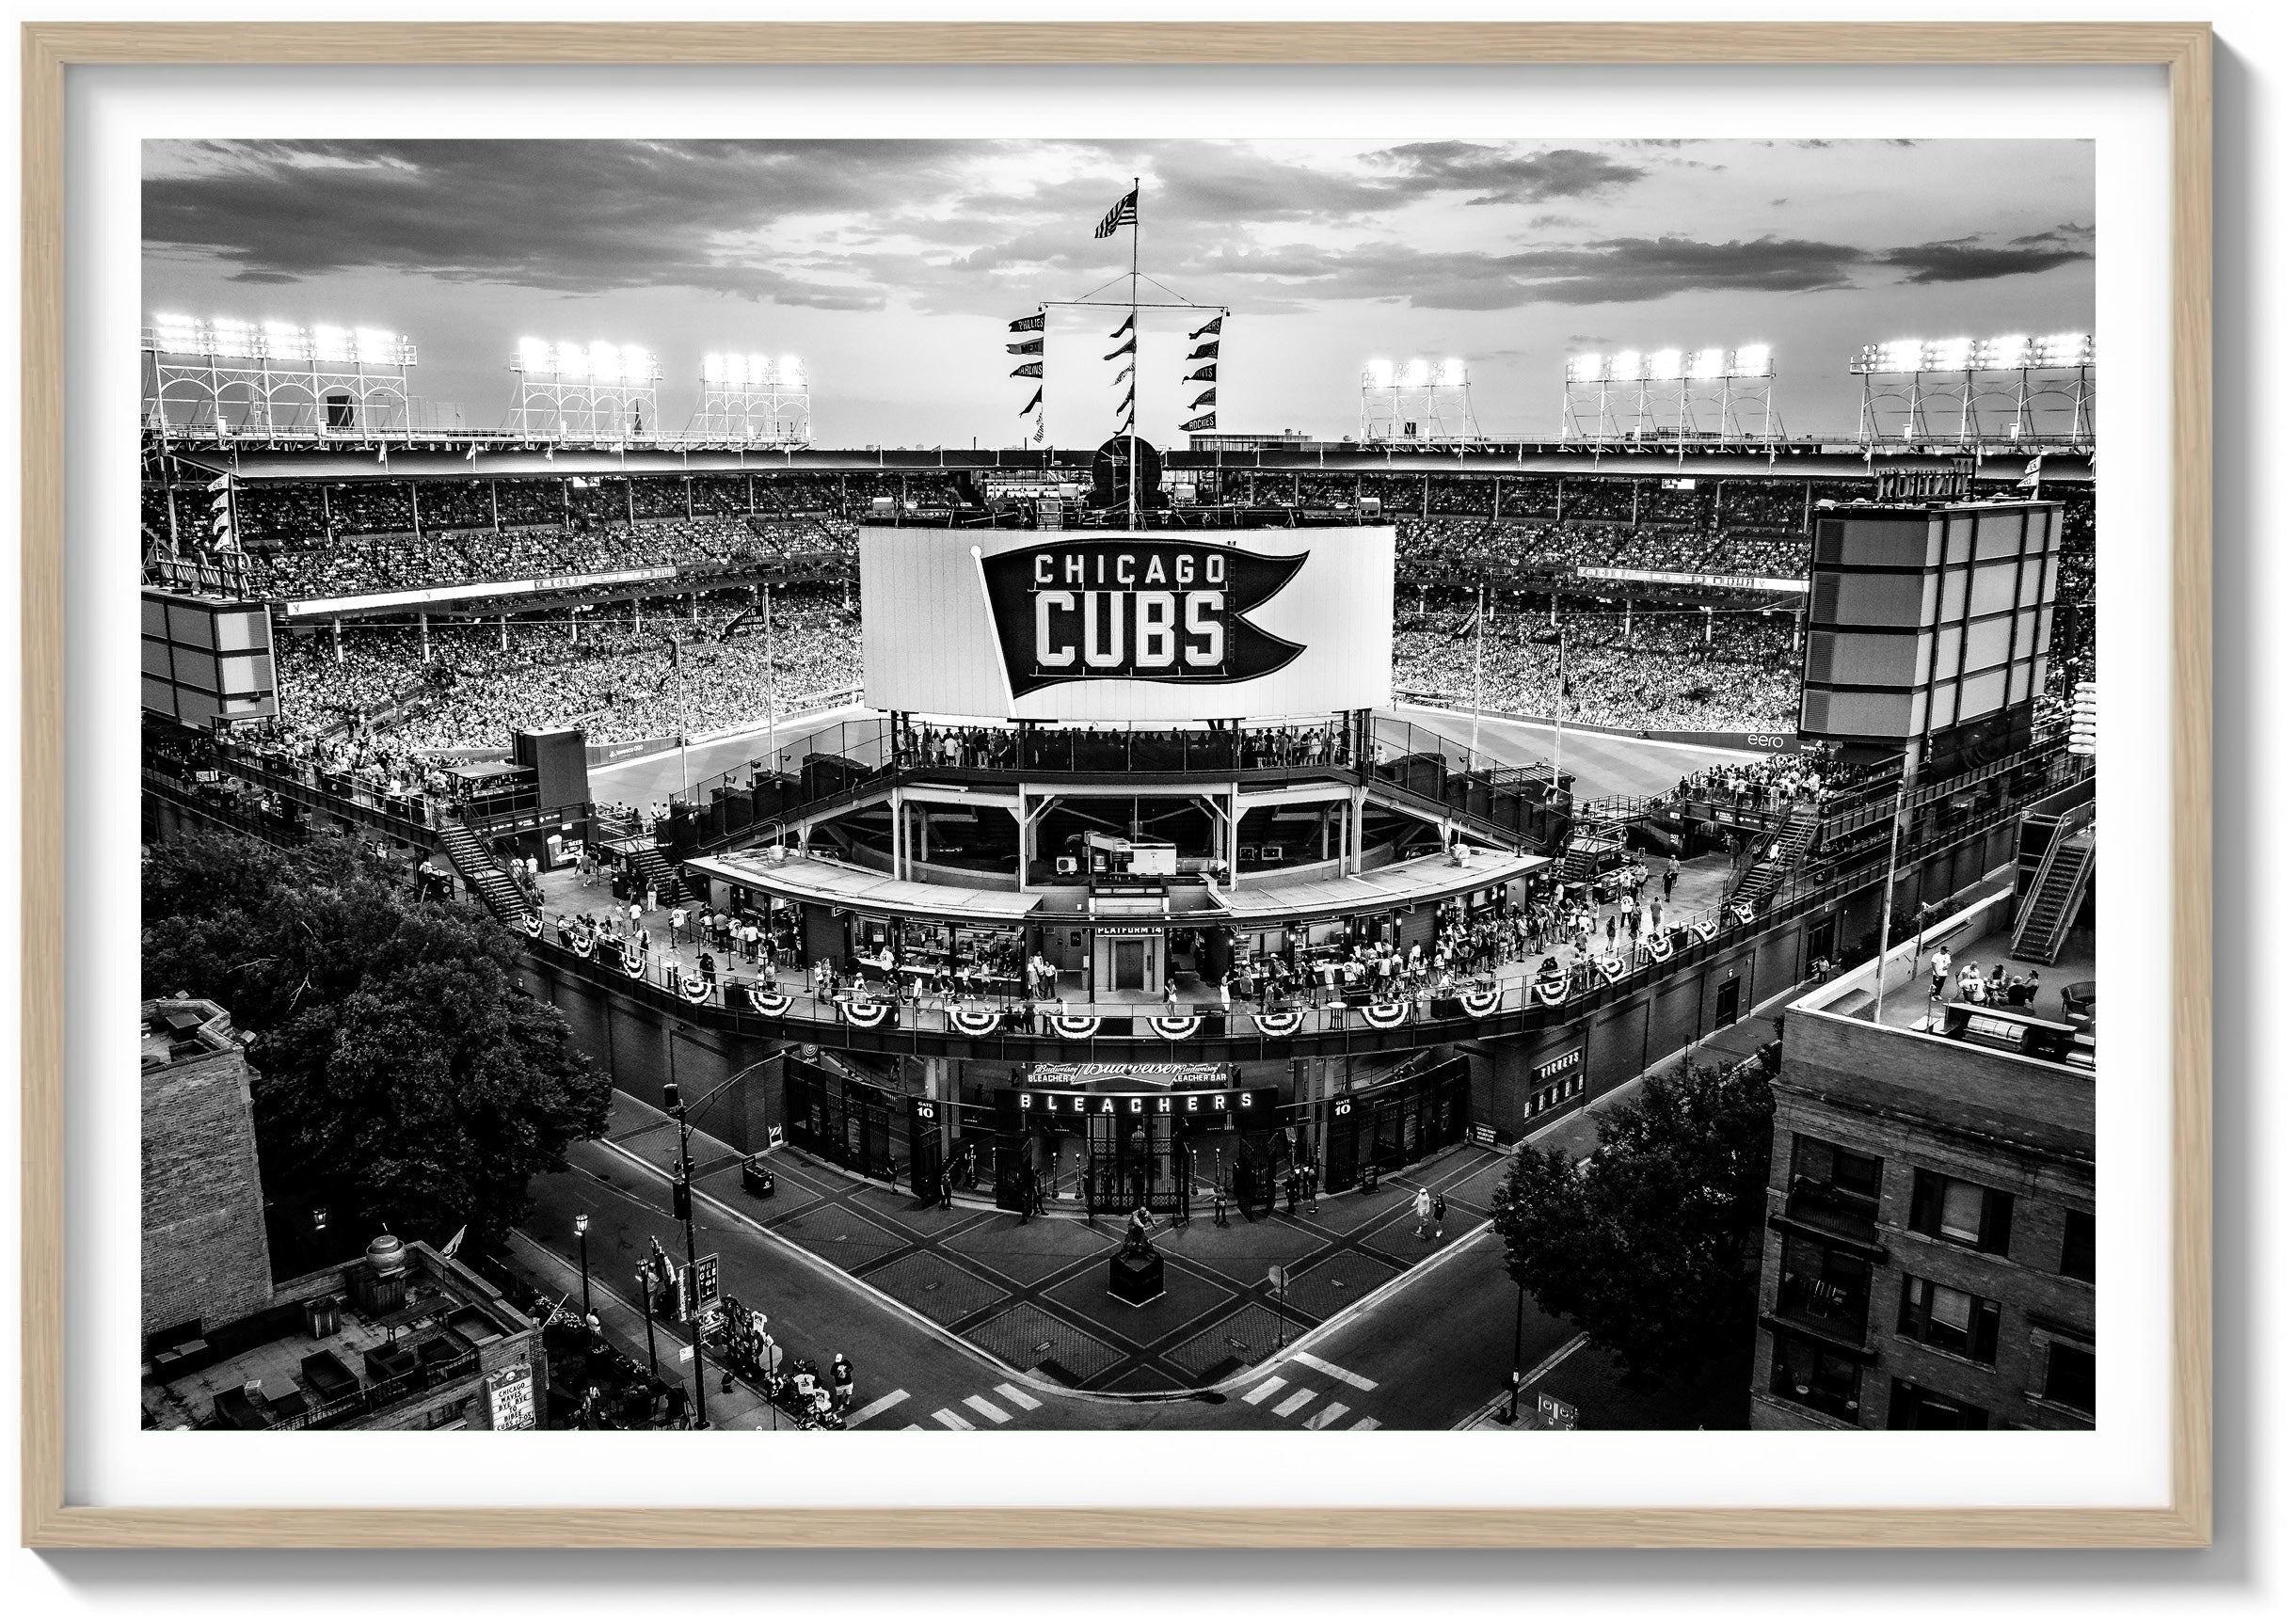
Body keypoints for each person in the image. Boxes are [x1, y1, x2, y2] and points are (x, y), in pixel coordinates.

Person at [829, 1353, 854, 1420]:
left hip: (848, 1382)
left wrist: (846, 1371)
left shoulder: (846, 1362)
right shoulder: (835, 1365)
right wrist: (838, 1373)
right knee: (839, 1395)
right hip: (839, 1383)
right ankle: (839, 1403)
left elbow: (851, 1368)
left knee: (849, 1393)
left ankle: (846, 1398)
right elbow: (831, 1373)